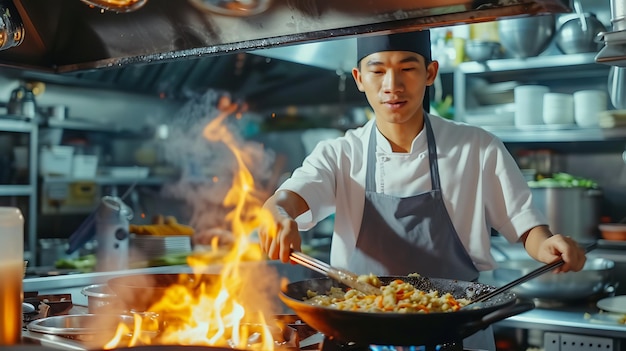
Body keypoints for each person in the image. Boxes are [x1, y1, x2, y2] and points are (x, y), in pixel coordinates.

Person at [258, 30, 587, 350]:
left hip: (456, 327)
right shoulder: (340, 154)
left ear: (430, 72)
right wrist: (278, 214)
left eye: (407, 68)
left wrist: (548, 245)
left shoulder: (477, 147)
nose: (393, 86)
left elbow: (527, 226)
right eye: (378, 71)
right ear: (359, 78)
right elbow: (288, 199)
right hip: (356, 330)